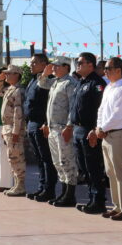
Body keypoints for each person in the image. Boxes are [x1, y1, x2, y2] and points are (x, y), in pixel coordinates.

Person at [91, 57, 122, 220]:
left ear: (118, 70)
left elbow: (118, 114)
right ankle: (117, 206)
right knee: (110, 173)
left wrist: (102, 128)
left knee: (120, 172)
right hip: (106, 134)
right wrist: (98, 127)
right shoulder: (109, 87)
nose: (105, 71)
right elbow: (101, 110)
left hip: (117, 133)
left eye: (108, 68)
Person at [68, 52, 108, 214]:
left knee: (93, 167)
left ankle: (98, 201)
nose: (77, 65)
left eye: (80, 62)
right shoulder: (80, 82)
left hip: (89, 130)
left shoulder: (97, 83)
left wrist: (94, 129)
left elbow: (100, 108)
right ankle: (92, 198)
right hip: (78, 129)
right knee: (84, 167)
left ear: (90, 65)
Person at [39, 56, 79, 207]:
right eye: (53, 66)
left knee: (67, 161)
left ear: (66, 67)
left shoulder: (70, 83)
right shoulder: (56, 82)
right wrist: (45, 73)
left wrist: (69, 127)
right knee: (58, 162)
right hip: (53, 128)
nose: (53, 68)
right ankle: (63, 192)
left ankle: (70, 195)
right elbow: (42, 84)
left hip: (63, 128)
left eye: (56, 66)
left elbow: (72, 107)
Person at [24, 53, 58, 202]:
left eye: (34, 63)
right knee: (39, 158)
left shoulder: (49, 81)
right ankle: (41, 187)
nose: (31, 65)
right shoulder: (33, 80)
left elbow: (48, 104)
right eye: (31, 63)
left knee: (46, 158)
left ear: (44, 64)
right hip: (31, 123)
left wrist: (46, 122)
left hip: (41, 123)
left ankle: (49, 190)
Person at [0, 64, 26, 196]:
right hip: (7, 127)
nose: (7, 75)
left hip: (14, 128)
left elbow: (18, 112)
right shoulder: (10, 89)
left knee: (17, 157)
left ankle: (20, 185)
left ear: (17, 75)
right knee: (11, 157)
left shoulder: (18, 91)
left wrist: (15, 132)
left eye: (9, 73)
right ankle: (16, 184)